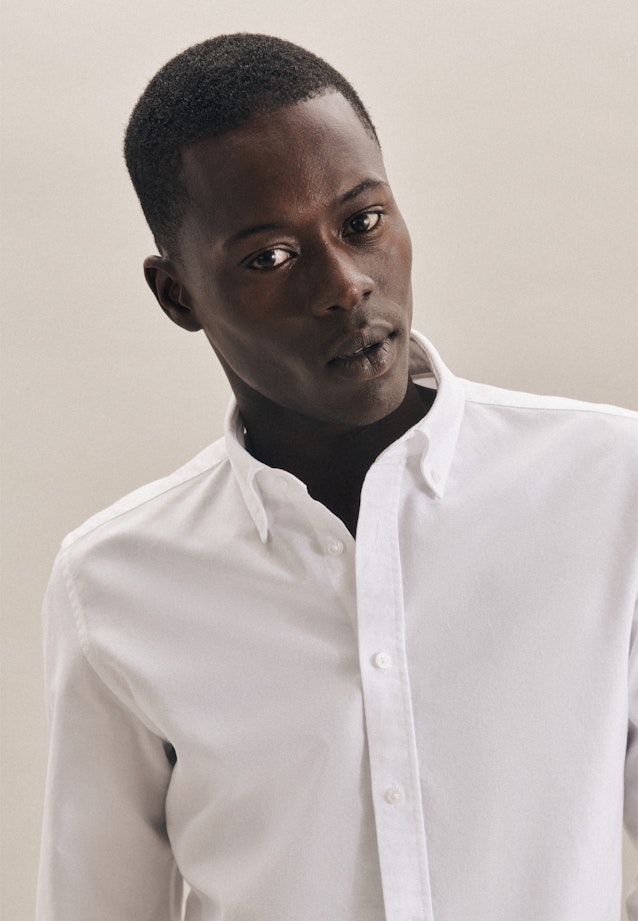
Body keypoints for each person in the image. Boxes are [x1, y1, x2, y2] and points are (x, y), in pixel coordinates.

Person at [37, 33, 637, 921]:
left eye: (362, 222)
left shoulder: (610, 487)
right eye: (269, 257)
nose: (346, 285)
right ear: (177, 295)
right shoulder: (113, 582)